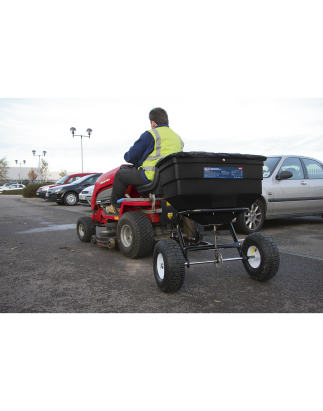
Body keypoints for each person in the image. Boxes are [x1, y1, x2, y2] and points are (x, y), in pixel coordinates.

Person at [106, 107, 184, 214]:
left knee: (120, 175)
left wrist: (130, 157)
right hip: (169, 179)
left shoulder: (151, 135)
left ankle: (115, 206)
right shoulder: (178, 138)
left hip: (150, 177)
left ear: (153, 123)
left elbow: (131, 156)